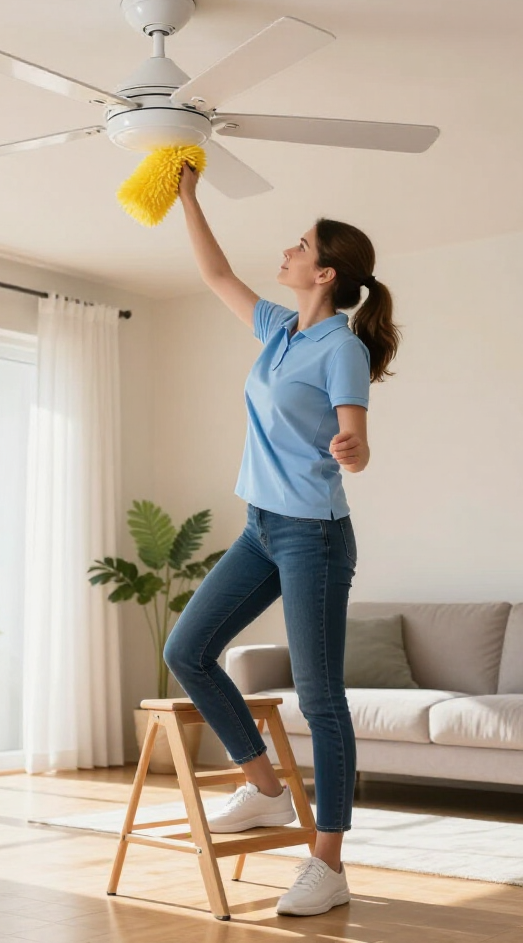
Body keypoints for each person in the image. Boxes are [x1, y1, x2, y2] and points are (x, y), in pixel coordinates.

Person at [163, 163, 400, 917]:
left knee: (321, 698)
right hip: (261, 527)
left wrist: (352, 450)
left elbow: (355, 437)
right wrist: (188, 198)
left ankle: (327, 864)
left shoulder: (343, 349)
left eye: (299, 246)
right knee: (187, 651)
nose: (287, 252)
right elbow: (215, 273)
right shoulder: (276, 330)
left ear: (325, 273)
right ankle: (265, 788)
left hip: (315, 538)